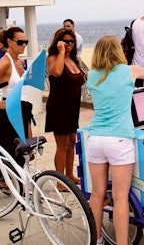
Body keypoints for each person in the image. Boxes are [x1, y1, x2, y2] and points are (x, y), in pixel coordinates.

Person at [86, 35, 144, 245]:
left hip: (96, 139)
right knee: (120, 197)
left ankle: (96, 239)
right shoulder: (129, 71)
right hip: (119, 140)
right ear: (119, 51)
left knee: (97, 195)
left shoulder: (91, 75)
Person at [0, 27, 34, 194]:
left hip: (22, 108)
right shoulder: (5, 61)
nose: (24, 45)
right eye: (20, 42)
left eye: (26, 42)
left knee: (22, 148)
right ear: (9, 42)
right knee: (9, 148)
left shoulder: (19, 61)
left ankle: (16, 182)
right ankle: (3, 180)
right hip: (10, 109)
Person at [45, 28, 85, 184]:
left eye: (72, 41)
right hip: (59, 106)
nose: (69, 44)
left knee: (72, 141)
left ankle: (69, 175)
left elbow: (80, 79)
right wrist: (61, 52)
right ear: (58, 42)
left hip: (72, 106)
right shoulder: (53, 58)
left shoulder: (74, 60)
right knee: (62, 144)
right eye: (65, 41)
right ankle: (60, 180)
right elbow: (57, 72)